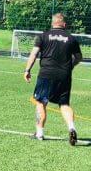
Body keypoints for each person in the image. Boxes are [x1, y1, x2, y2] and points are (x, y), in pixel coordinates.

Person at [23, 12, 83, 145]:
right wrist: (71, 66)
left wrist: (27, 70)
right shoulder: (72, 39)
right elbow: (79, 58)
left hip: (46, 73)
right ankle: (72, 128)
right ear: (64, 24)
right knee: (64, 104)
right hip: (64, 75)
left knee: (41, 102)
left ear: (52, 23)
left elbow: (34, 54)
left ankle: (39, 133)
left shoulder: (43, 36)